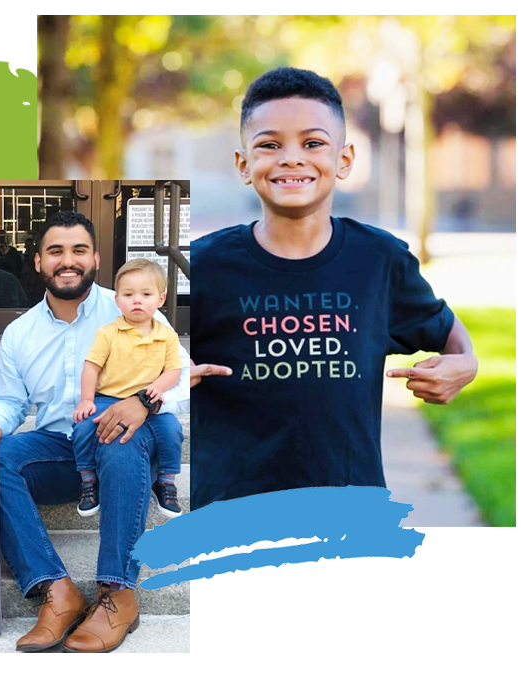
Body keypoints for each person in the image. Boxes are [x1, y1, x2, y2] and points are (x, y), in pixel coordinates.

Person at [191, 67, 478, 510]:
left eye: (312, 143)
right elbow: (139, 358)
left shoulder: (379, 259)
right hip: (229, 516)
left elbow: (447, 330)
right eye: (270, 145)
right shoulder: (201, 266)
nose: (291, 158)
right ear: (244, 165)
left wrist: (467, 364)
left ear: (344, 160)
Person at [0, 211, 189, 653]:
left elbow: (181, 376)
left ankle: (117, 593)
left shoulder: (133, 303)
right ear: (37, 262)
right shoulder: (20, 332)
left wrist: (142, 402)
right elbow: (11, 400)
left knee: (116, 437)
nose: (67, 261)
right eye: (55, 251)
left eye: (78, 251)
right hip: (61, 447)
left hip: (124, 442)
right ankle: (57, 591)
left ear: (96, 258)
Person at [72, 258, 184, 519]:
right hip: (107, 397)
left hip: (147, 401)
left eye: (146, 294)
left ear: (161, 298)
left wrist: (158, 387)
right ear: (117, 300)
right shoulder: (108, 333)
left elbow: (174, 370)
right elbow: (91, 367)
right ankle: (89, 480)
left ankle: (165, 481)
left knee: (172, 430)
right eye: (128, 294)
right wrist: (87, 399)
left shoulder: (167, 335)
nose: (137, 300)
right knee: (84, 425)